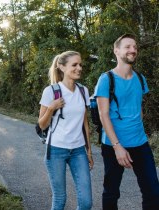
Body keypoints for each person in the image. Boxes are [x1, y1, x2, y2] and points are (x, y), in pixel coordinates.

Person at [94, 33, 159, 210]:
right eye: (128, 46)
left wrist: (140, 132)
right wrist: (117, 146)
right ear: (116, 51)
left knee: (153, 191)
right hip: (114, 145)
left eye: (135, 47)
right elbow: (103, 115)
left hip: (140, 143)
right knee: (111, 193)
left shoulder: (140, 78)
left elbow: (138, 109)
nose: (133, 50)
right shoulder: (105, 79)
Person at [38, 51, 94, 210]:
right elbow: (41, 125)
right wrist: (51, 108)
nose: (79, 68)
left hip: (78, 151)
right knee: (60, 199)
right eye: (74, 65)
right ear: (62, 67)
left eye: (80, 64)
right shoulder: (51, 91)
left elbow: (85, 124)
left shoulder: (83, 91)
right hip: (55, 150)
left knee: (86, 202)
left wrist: (89, 151)